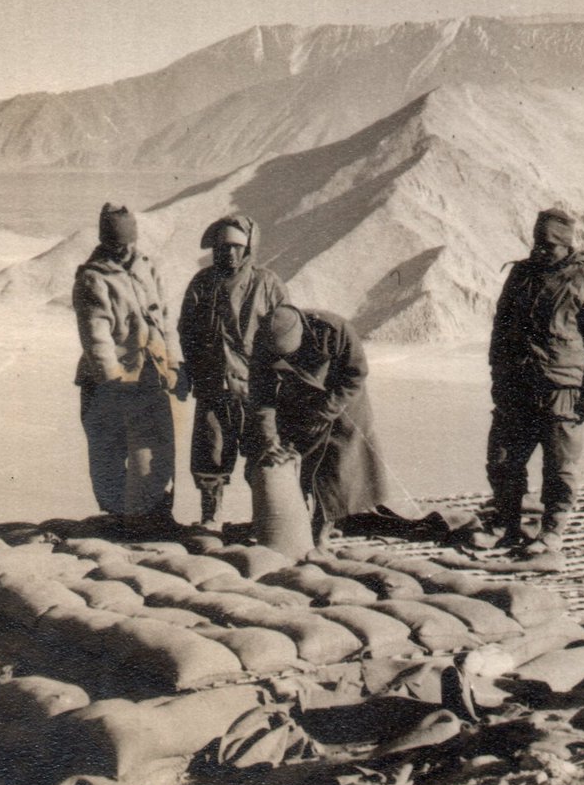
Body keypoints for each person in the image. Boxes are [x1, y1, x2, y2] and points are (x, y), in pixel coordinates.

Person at [487, 207, 584, 559]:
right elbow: (500, 327)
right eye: (537, 243)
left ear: (566, 244)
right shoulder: (521, 275)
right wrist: (498, 375)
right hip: (517, 385)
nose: (540, 251)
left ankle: (552, 531)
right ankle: (508, 525)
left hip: (562, 388)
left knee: (559, 466)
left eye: (549, 246)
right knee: (502, 459)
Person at [72, 203, 188, 532]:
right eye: (116, 243)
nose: (123, 250)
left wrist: (173, 363)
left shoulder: (146, 268)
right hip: (109, 381)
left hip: (151, 373)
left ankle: (152, 513)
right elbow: (96, 335)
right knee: (108, 451)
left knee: (156, 447)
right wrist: (111, 380)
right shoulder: (93, 278)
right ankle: (120, 516)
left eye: (128, 242)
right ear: (105, 241)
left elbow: (164, 321)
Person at [178, 214, 288, 529]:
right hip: (213, 386)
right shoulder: (202, 283)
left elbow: (286, 332)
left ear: (249, 248)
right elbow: (187, 330)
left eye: (237, 246)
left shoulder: (267, 283)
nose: (229, 252)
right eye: (223, 246)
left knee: (264, 453)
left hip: (257, 388)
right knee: (210, 454)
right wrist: (199, 369)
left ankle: (268, 520)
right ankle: (211, 517)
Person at [251, 305, 388, 547]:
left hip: (341, 401)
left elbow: (356, 374)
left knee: (337, 465)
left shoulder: (333, 329)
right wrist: (269, 438)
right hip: (299, 401)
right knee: (296, 459)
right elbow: (262, 396)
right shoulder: (264, 341)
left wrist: (326, 413)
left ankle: (325, 525)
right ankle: (303, 522)